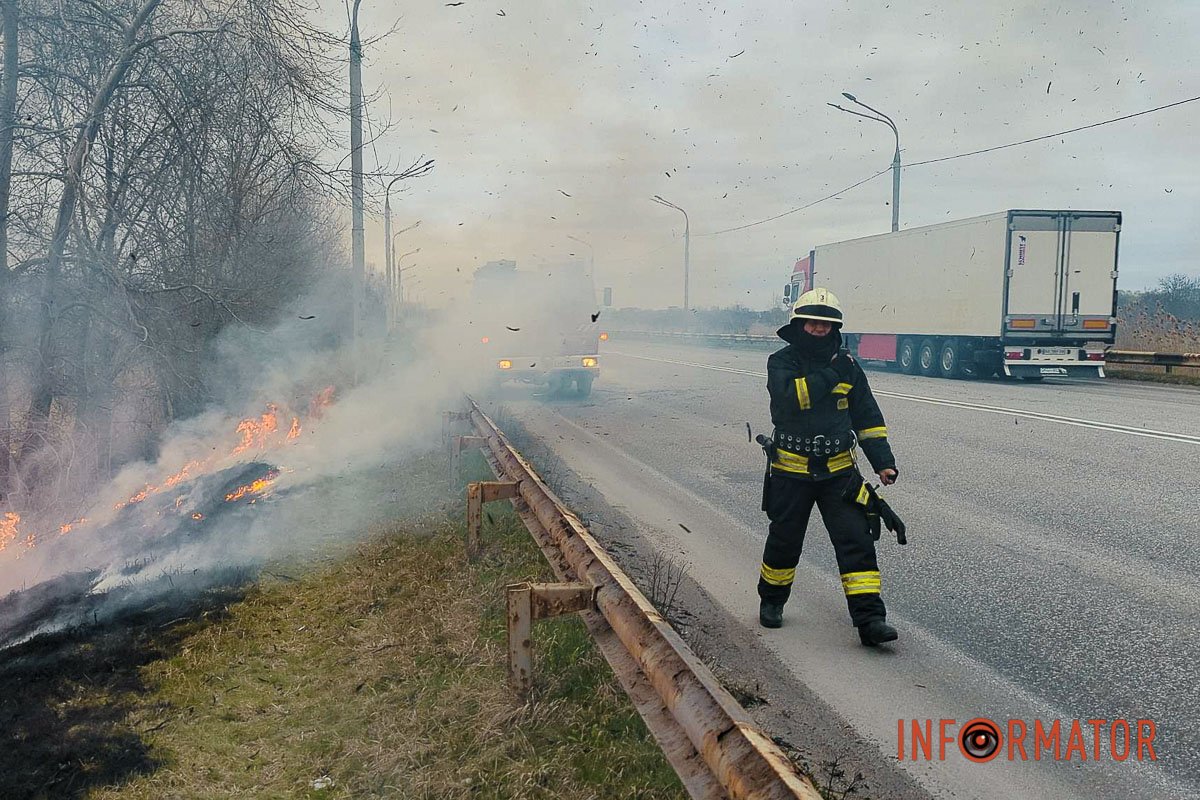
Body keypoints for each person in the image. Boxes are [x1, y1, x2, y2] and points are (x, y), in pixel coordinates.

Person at [757, 288, 900, 646]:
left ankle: (870, 621)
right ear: (799, 324)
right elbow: (792, 400)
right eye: (812, 323)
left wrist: (883, 462)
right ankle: (772, 601)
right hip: (791, 472)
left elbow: (867, 416)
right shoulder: (782, 362)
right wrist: (834, 373)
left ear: (835, 328)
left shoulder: (849, 366)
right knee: (785, 540)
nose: (819, 329)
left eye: (826, 324)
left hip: (839, 473)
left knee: (857, 541)